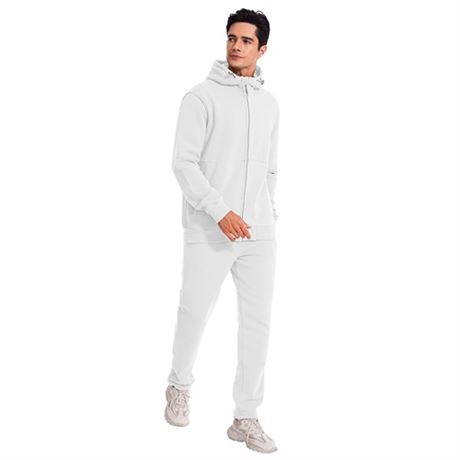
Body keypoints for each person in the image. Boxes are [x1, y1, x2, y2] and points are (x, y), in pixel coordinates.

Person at [164, 8, 280, 454]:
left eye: (246, 40)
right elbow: (183, 164)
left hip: (258, 233)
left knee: (257, 324)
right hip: (209, 227)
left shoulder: (270, 105)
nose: (236, 46)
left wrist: (267, 214)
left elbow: (271, 168)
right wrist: (220, 211)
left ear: (262, 49)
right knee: (193, 312)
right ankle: (179, 385)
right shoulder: (200, 98)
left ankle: (245, 417)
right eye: (232, 37)